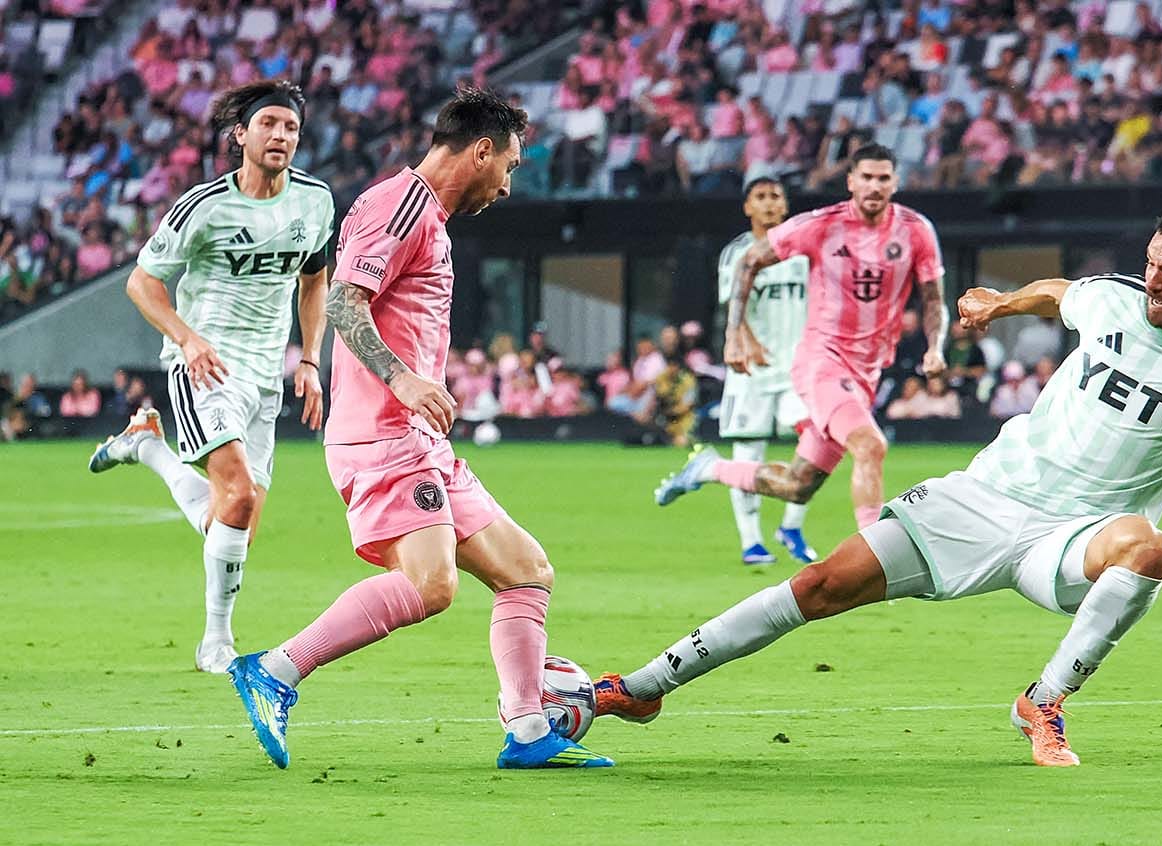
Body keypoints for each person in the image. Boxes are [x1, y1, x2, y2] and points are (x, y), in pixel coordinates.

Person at [592, 207, 1162, 767]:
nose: (1153, 281)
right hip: (984, 499)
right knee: (819, 585)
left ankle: (1043, 703)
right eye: (1151, 262)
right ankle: (643, 685)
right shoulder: (1112, 296)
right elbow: (1063, 291)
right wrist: (997, 304)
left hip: (1074, 538)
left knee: (1150, 548)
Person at [224, 87, 612, 771]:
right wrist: (402, 378)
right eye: (511, 166)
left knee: (527, 573)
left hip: (420, 441)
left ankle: (526, 731)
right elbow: (345, 303)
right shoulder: (400, 206)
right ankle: (276, 670)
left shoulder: (425, 215)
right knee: (433, 585)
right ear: (482, 150)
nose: (508, 184)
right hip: (382, 434)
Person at [87, 80, 335, 673]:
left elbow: (314, 280)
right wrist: (187, 338)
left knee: (236, 525)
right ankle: (216, 641)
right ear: (241, 134)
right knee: (240, 494)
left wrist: (310, 359)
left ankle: (147, 448)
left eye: (291, 127)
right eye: (269, 124)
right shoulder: (203, 206)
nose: (280, 135)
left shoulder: (316, 201)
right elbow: (141, 283)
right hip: (203, 365)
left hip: (264, 375)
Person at [654, 144, 948, 534]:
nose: (874, 186)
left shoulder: (915, 231)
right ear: (851, 181)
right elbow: (751, 259)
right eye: (866, 177)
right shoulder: (823, 225)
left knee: (798, 485)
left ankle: (710, 468)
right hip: (821, 362)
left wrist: (935, 346)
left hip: (867, 372)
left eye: (883, 178)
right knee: (870, 444)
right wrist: (735, 333)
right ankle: (877, 555)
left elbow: (933, 300)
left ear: (895, 182)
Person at [712, 177, 818, 566]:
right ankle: (752, 541)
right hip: (752, 370)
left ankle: (791, 525)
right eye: (761, 197)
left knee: (818, 443)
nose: (769, 203)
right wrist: (744, 338)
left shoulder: (806, 251)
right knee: (748, 454)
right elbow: (731, 305)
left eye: (776, 196)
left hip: (799, 370)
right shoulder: (737, 253)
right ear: (747, 208)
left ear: (785, 206)